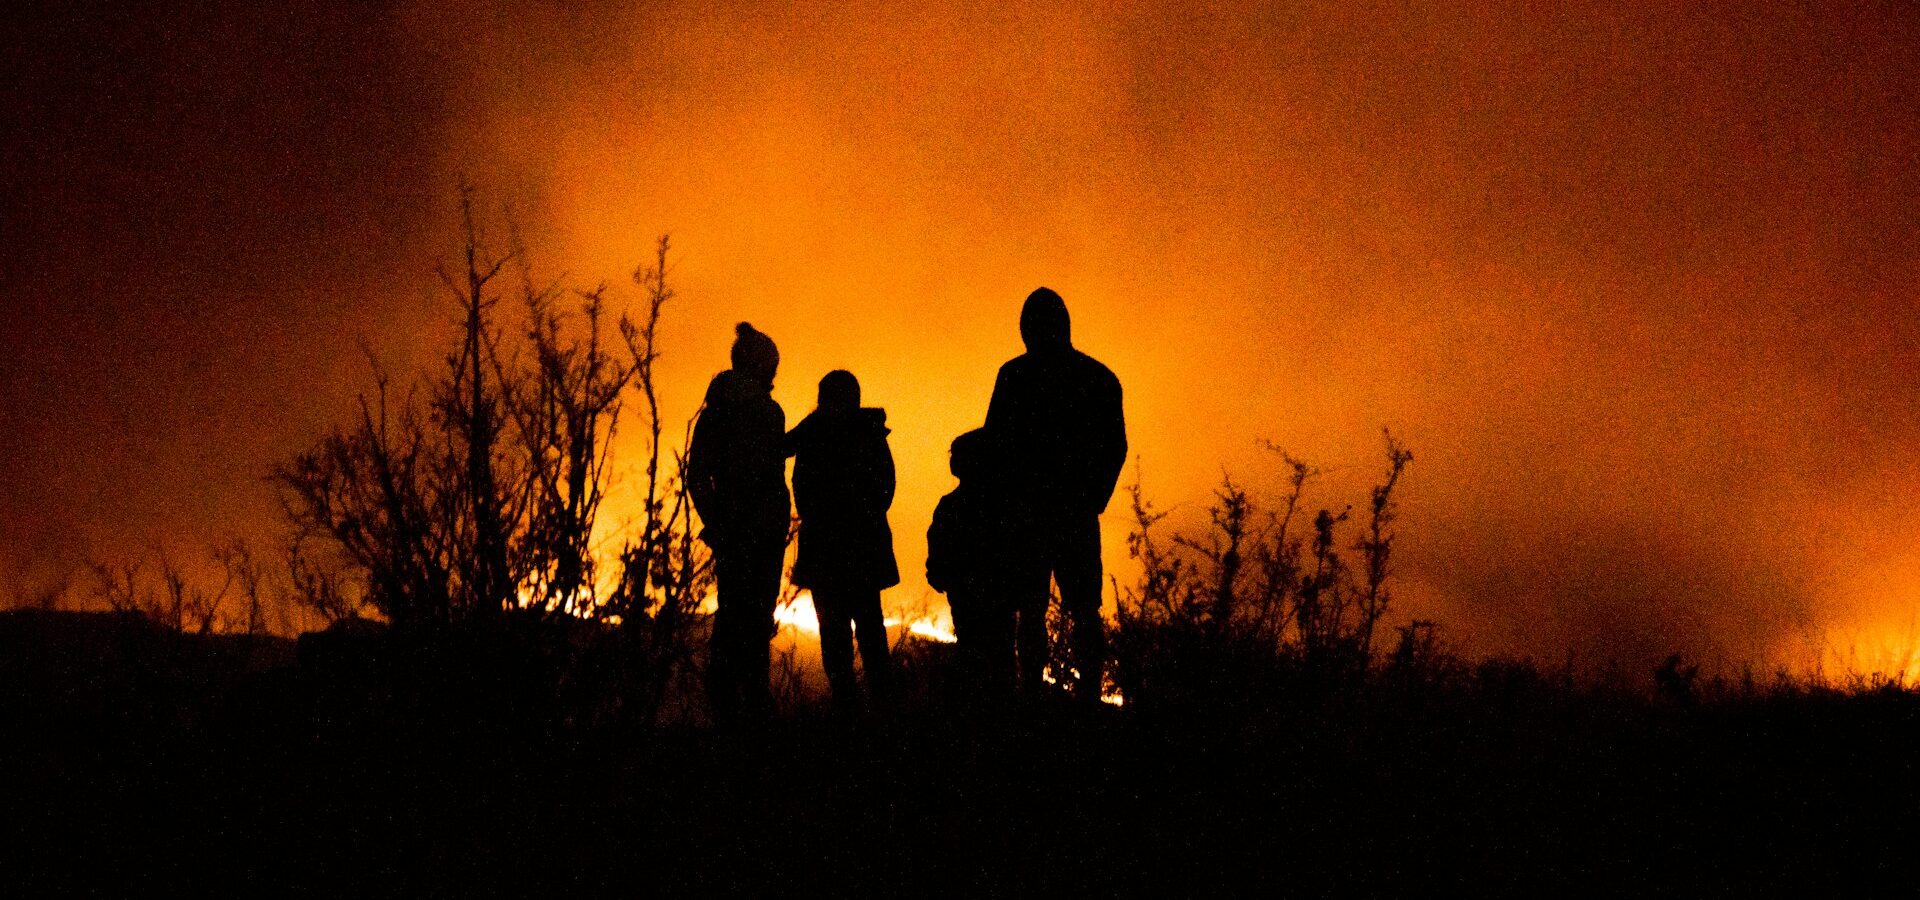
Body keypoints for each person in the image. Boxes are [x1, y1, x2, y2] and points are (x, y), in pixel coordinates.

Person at [984, 287, 1127, 702]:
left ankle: (1033, 694)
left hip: (1035, 513)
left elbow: (997, 443)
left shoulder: (1014, 376)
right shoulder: (1098, 378)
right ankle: (1083, 699)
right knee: (1079, 611)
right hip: (1066, 513)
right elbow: (1113, 448)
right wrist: (1091, 498)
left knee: (1037, 610)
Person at [687, 322, 790, 723]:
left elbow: (698, 474)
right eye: (772, 365)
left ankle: (735, 706)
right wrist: (722, 521)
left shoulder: (719, 409)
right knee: (749, 619)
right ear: (763, 365)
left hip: (740, 530)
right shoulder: (766, 411)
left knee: (735, 616)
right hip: (759, 532)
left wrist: (715, 521)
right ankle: (746, 708)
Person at [785, 370, 898, 708]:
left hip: (825, 549)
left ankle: (847, 706)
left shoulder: (813, 432)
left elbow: (799, 483)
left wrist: (819, 517)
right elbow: (885, 487)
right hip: (864, 547)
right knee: (869, 626)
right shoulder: (871, 433)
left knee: (835, 631)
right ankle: (881, 704)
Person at [926, 428, 1022, 696]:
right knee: (998, 655)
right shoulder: (1001, 506)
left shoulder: (953, 505)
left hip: (971, 593)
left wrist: (937, 573)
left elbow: (938, 545)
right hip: (986, 594)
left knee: (977, 653)